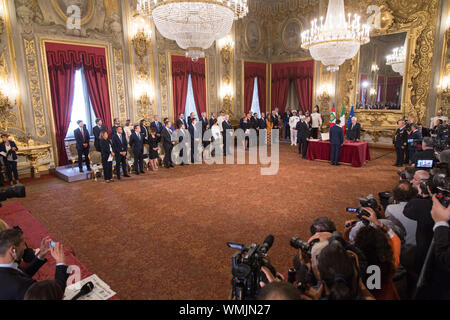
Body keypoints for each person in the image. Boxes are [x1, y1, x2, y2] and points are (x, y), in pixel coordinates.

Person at [0, 229, 68, 300]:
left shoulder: (5, 264)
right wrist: (61, 262)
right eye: (23, 244)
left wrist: (41, 256)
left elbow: (22, 273)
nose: (25, 248)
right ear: (12, 250)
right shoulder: (21, 285)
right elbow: (54, 294)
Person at [354, 207, 401, 300]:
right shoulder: (390, 263)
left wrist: (348, 228)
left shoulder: (354, 266)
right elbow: (396, 240)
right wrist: (378, 223)